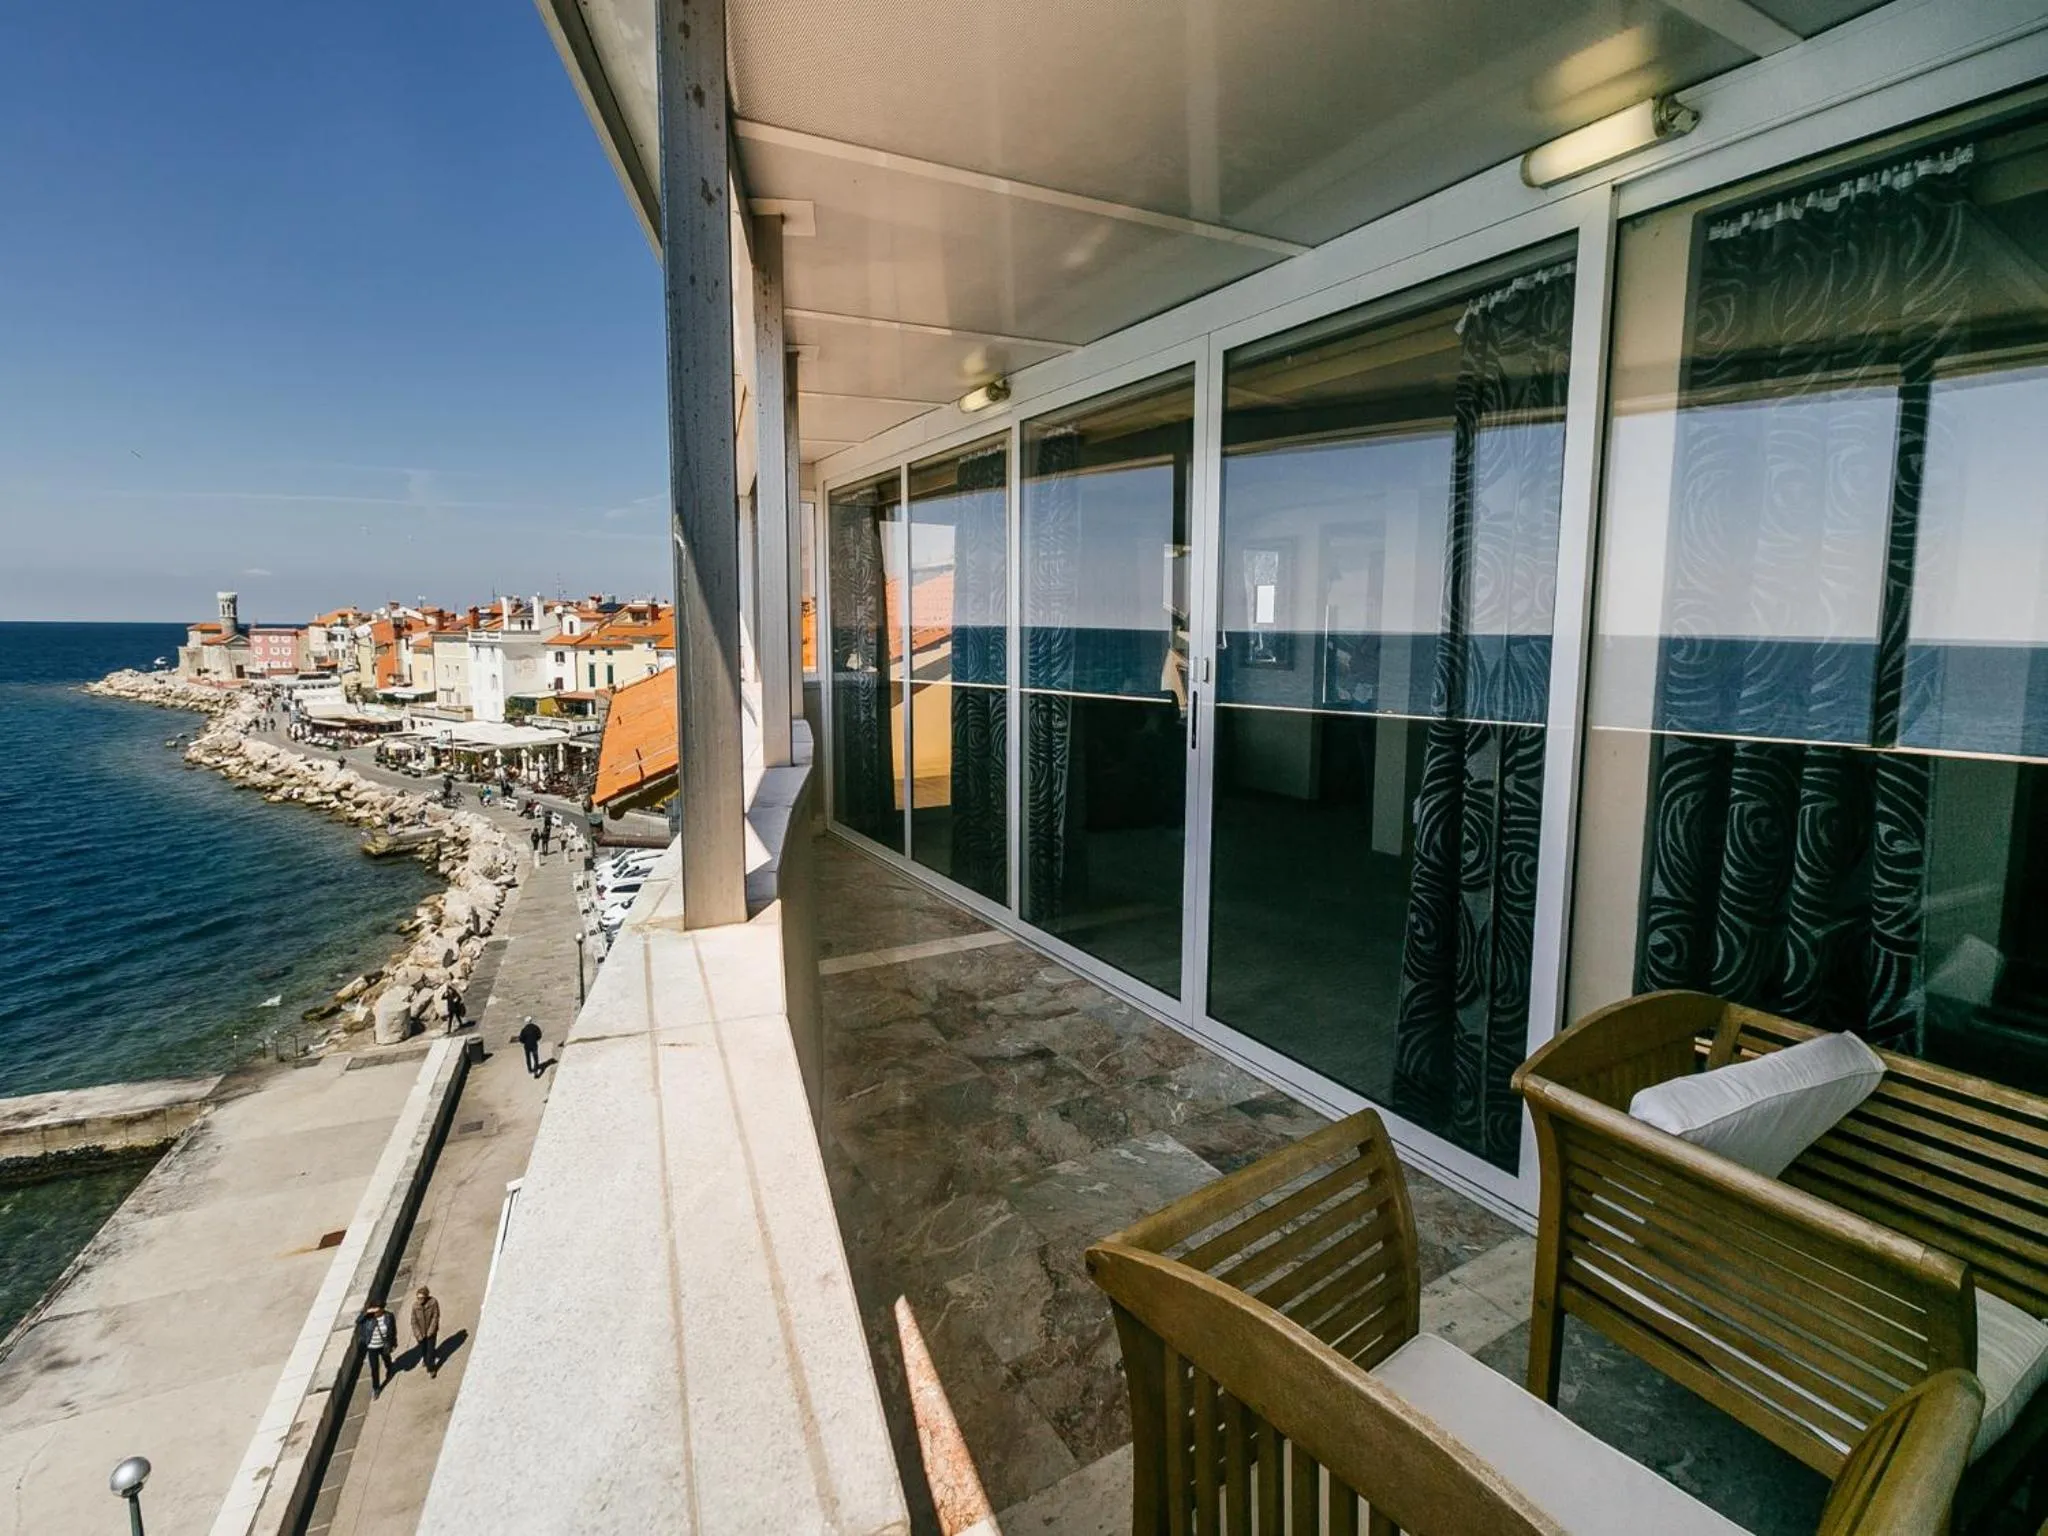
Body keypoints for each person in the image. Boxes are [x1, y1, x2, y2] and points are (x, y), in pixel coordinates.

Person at [357, 1302, 398, 1397]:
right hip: (372, 1347)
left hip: (384, 1345)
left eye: (378, 1309)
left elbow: (393, 1330)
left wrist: (393, 1342)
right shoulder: (368, 1317)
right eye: (374, 1309)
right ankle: (376, 1388)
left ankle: (390, 1369)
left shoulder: (388, 1316)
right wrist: (367, 1312)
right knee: (374, 1368)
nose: (376, 1312)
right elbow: (358, 1321)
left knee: (387, 1359)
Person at [410, 1286, 443, 1378]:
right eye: (418, 1298)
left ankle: (431, 1369)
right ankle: (425, 1360)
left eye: (422, 1298)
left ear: (426, 1296)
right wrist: (418, 1334)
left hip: (430, 1333)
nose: (420, 1300)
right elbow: (413, 1321)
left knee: (430, 1351)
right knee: (423, 1349)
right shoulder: (415, 1306)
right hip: (420, 1333)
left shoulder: (433, 1302)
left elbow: (435, 1317)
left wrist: (431, 1331)